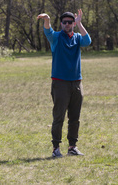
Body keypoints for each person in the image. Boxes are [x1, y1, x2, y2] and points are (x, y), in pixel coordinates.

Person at [37, 9, 91, 158]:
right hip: (60, 83)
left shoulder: (78, 37)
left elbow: (88, 42)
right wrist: (47, 19)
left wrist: (80, 24)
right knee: (59, 117)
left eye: (70, 22)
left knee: (75, 117)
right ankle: (56, 148)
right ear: (61, 24)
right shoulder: (56, 38)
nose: (67, 24)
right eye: (64, 22)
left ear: (73, 24)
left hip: (76, 83)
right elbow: (48, 31)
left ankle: (72, 147)